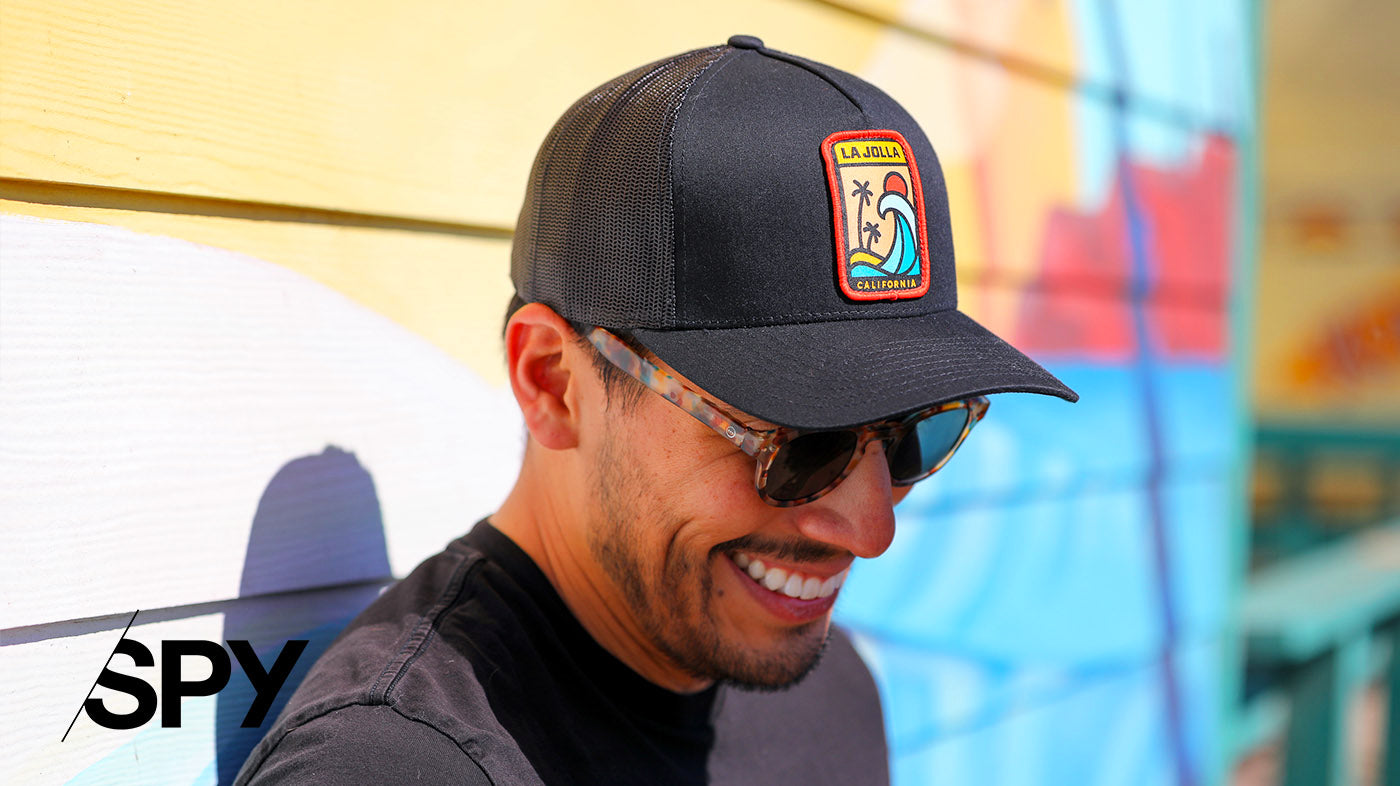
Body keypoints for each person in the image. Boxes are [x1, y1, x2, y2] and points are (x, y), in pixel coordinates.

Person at [236, 34, 1076, 785]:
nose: (870, 530)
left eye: (911, 434)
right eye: (801, 443)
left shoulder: (832, 690)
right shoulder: (397, 764)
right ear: (552, 382)